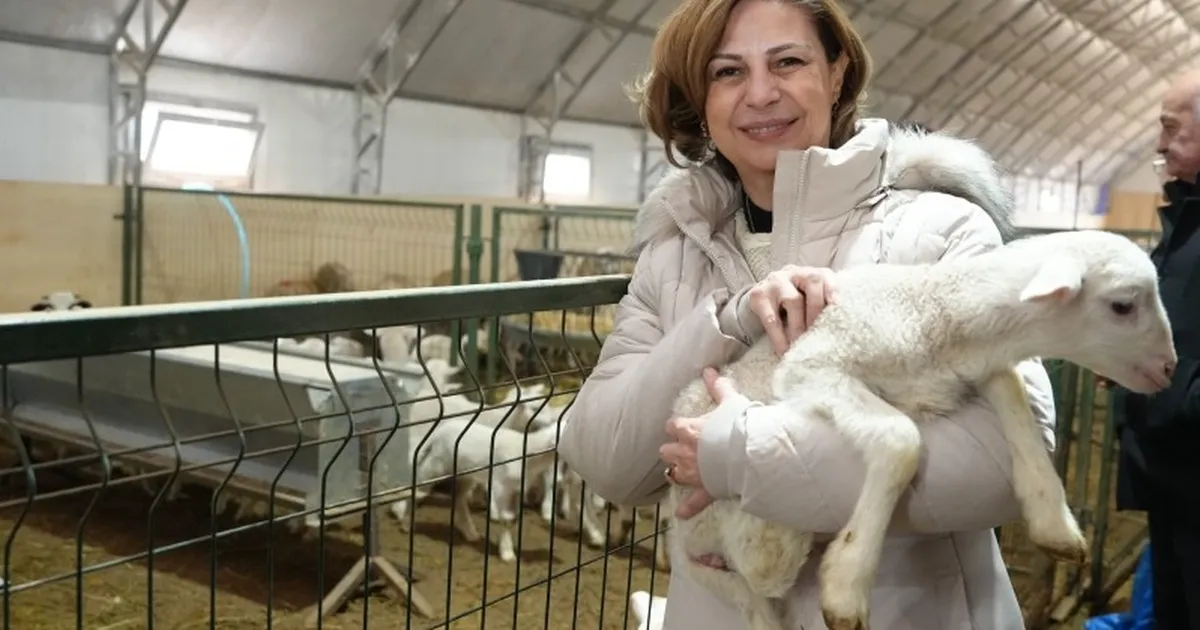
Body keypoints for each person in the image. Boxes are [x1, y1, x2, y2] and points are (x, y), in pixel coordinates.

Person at [557, 0, 1057, 627]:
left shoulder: (939, 232)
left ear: (837, 72)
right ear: (700, 100)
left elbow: (1007, 459)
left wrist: (743, 459)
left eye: (788, 62)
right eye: (727, 72)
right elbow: (604, 458)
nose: (760, 93)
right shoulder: (674, 255)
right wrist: (726, 324)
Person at [1113, 67, 1200, 630]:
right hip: (1175, 486)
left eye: (1172, 127)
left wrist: (1157, 382)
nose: (1160, 144)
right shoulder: (1187, 218)